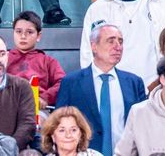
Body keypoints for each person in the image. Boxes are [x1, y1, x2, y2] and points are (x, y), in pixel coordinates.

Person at [54, 24, 148, 156]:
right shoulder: (71, 82)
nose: (118, 46)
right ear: (94, 46)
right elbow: (58, 122)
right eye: (111, 41)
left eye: (120, 41)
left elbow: (143, 126)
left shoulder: (134, 83)